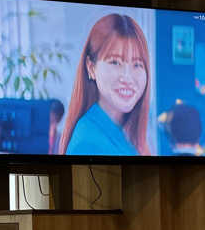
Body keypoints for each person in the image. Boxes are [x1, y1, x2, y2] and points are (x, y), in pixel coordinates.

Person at [60, 13, 152, 156]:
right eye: (115, 62)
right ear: (91, 67)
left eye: (137, 64)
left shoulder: (125, 132)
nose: (128, 78)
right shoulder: (88, 143)